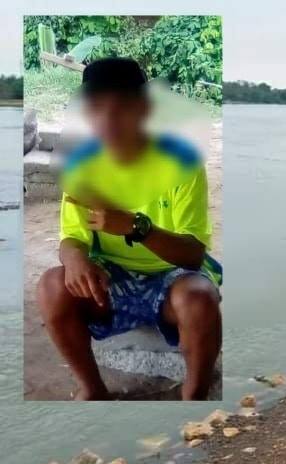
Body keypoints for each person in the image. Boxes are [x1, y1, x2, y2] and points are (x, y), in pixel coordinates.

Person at [36, 58, 222, 401]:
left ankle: (194, 394)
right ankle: (92, 390)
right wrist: (74, 258)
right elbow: (71, 238)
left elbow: (194, 255)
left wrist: (137, 228)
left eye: (121, 108)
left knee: (200, 298)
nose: (107, 120)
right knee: (51, 285)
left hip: (170, 275)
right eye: (95, 109)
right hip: (110, 280)